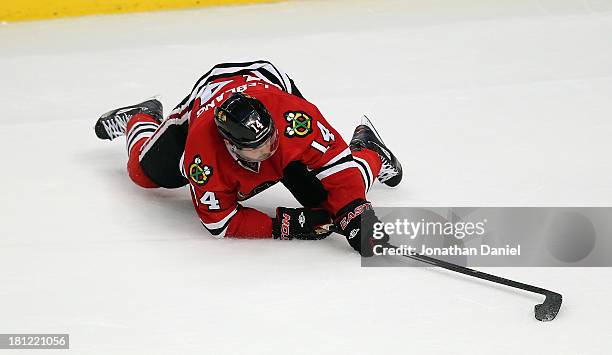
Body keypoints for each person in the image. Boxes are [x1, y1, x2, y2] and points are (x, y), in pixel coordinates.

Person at [94, 60, 402, 256]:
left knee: (326, 203)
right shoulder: (203, 159)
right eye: (255, 148)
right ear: (230, 146)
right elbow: (221, 223)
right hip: (206, 99)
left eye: (269, 139)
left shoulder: (295, 119)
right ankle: (142, 116)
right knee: (143, 175)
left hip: (266, 81)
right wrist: (287, 225)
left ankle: (370, 151)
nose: (267, 150)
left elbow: (335, 163)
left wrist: (356, 213)